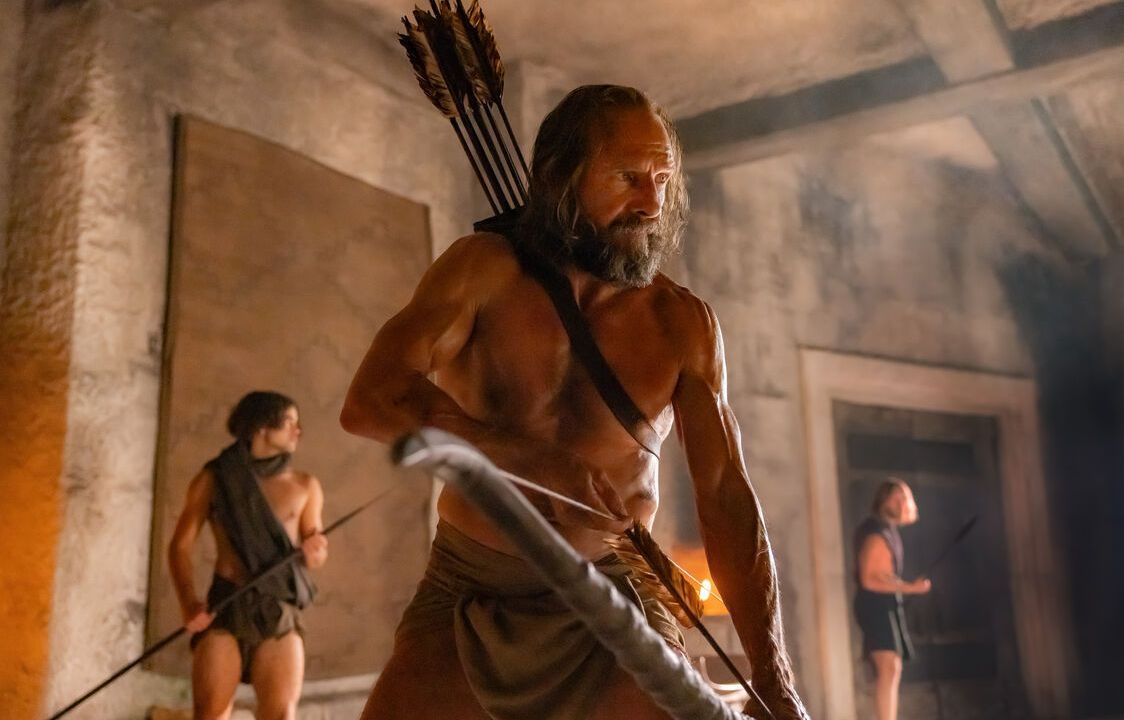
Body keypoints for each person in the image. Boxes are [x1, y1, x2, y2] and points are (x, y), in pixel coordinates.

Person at [341, 84, 808, 720]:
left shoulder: (682, 323)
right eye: (627, 177)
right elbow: (370, 401)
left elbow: (726, 494)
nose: (652, 203)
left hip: (617, 595)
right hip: (472, 587)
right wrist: (522, 456)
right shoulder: (483, 270)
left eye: (662, 180)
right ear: (562, 177)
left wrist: (773, 674)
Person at [168, 391, 328, 720]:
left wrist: (316, 551)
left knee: (281, 715)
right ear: (261, 426)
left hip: (279, 609)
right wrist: (188, 603)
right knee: (210, 714)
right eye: (289, 423)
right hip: (226, 605)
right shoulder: (215, 479)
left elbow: (315, 557)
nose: (298, 431)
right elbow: (180, 547)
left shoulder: (305, 486)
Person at [853, 478, 932, 720]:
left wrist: (906, 587)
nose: (901, 503)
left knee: (892, 667)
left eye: (904, 498)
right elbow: (869, 579)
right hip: (875, 606)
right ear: (883, 501)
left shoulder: (887, 530)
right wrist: (910, 588)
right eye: (896, 498)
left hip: (884, 605)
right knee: (888, 667)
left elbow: (883, 576)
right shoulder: (876, 533)